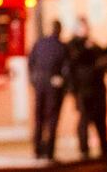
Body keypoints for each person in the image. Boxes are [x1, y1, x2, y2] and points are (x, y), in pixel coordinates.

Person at [66, 16, 107, 160]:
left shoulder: (92, 44)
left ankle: (105, 147)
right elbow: (73, 63)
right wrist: (73, 90)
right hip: (82, 89)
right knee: (84, 120)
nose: (86, 30)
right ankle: (84, 149)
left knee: (100, 119)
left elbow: (103, 56)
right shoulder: (73, 45)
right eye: (83, 27)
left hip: (97, 88)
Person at [28, 19, 68, 161]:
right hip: (52, 87)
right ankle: (49, 151)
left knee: (39, 117)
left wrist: (34, 80)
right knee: (52, 118)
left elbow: (30, 62)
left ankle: (37, 149)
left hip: (40, 84)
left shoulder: (39, 44)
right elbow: (66, 68)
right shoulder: (61, 47)